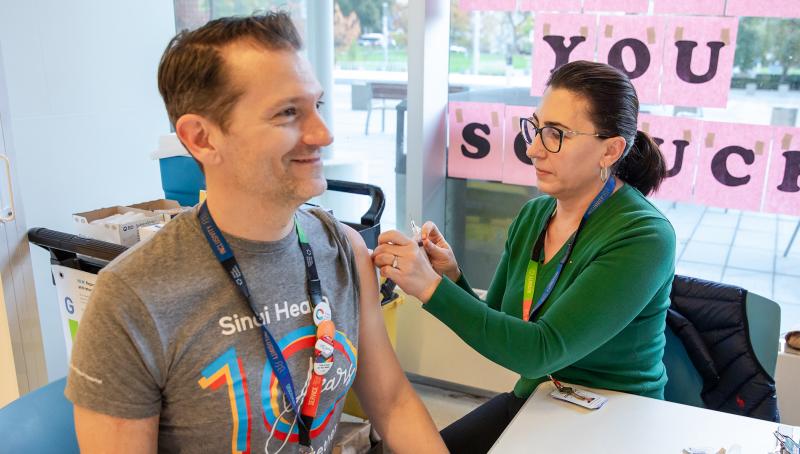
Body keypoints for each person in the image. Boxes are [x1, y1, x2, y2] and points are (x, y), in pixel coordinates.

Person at [65, 13, 447, 454]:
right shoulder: (132, 300)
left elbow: (394, 405)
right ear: (202, 138)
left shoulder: (341, 248)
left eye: (316, 106)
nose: (323, 134)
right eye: (288, 113)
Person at [373, 60, 676, 453]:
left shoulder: (644, 235)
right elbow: (503, 324)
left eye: (556, 135)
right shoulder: (536, 214)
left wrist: (429, 288)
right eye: (535, 128)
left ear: (611, 149)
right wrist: (450, 276)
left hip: (615, 421)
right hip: (541, 399)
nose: (533, 148)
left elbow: (538, 351)